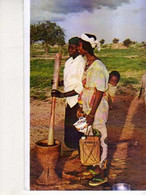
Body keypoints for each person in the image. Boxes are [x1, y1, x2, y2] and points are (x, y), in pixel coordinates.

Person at [77, 33, 109, 184]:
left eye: (79, 45)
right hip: (88, 107)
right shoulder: (87, 63)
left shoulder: (98, 66)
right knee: (91, 137)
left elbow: (99, 91)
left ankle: (102, 173)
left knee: (100, 138)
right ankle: (95, 165)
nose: (77, 47)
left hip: (97, 109)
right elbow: (86, 88)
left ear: (86, 47)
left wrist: (91, 113)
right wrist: (81, 107)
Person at [51, 37, 86, 149]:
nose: (69, 50)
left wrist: (62, 95)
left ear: (79, 49)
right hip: (69, 101)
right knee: (70, 128)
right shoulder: (68, 62)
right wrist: (57, 83)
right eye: (69, 47)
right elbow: (69, 81)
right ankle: (75, 149)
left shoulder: (81, 62)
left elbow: (80, 86)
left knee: (78, 128)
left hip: (77, 100)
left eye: (72, 47)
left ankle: (82, 151)